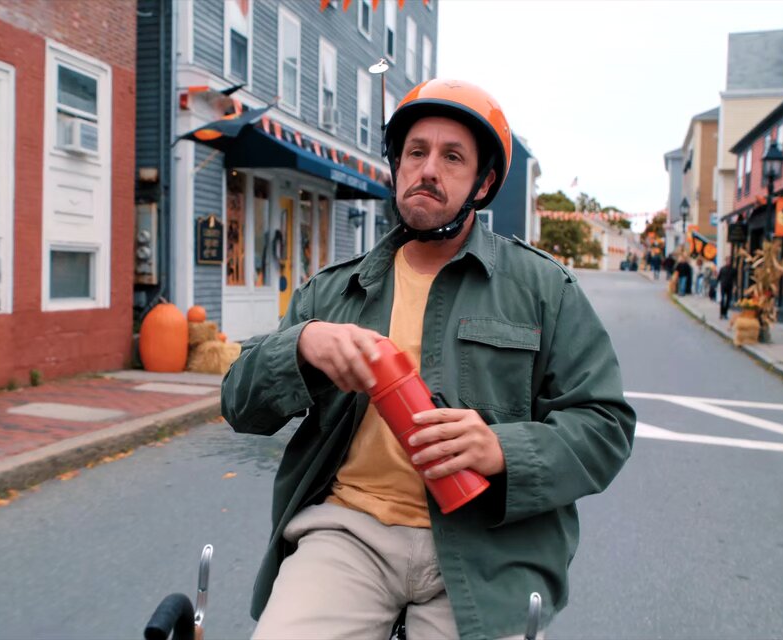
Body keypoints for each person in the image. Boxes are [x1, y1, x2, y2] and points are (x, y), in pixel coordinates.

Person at [221, 79, 636, 640]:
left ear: (483, 183)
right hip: (349, 533)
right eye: (416, 152)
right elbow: (239, 404)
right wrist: (300, 345)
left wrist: (501, 449)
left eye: (452, 157)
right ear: (397, 167)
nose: (428, 169)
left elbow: (605, 426)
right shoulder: (332, 292)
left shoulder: (545, 290)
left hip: (489, 549)